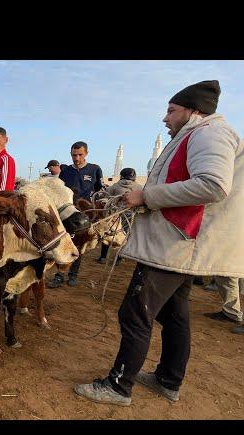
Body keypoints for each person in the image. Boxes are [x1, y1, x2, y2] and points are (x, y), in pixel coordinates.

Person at [74, 79, 244, 406]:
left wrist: (145, 195)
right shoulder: (197, 135)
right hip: (178, 246)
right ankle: (169, 380)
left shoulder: (208, 134)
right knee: (174, 314)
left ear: (193, 111)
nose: (165, 118)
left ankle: (118, 386)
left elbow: (213, 186)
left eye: (171, 110)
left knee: (135, 312)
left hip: (173, 246)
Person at [47, 141, 104, 288]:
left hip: (84, 214)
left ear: (86, 153)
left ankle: (73, 275)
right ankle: (59, 275)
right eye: (74, 155)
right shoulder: (65, 171)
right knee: (64, 242)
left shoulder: (95, 169)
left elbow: (99, 191)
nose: (77, 158)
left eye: (80, 155)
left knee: (80, 245)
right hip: (67, 213)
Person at [96, 167, 143, 264]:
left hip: (114, 215)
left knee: (108, 234)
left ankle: (103, 257)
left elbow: (106, 198)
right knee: (124, 236)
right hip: (130, 216)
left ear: (121, 175)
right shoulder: (139, 188)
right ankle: (119, 258)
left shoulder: (115, 186)